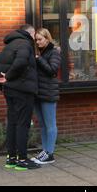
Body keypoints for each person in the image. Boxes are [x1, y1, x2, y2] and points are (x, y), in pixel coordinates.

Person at [0, 24, 40, 170]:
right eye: (34, 34)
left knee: (13, 123)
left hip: (10, 90)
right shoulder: (25, 44)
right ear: (29, 33)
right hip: (22, 90)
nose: (35, 37)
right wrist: (8, 77)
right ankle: (22, 159)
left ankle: (11, 158)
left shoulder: (11, 44)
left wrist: (7, 78)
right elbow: (20, 62)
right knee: (23, 124)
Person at [31, 28, 61, 165]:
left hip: (48, 93)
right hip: (39, 93)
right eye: (36, 40)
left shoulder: (54, 52)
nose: (37, 42)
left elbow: (52, 70)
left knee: (50, 125)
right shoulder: (41, 52)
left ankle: (50, 153)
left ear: (47, 39)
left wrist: (39, 59)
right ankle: (44, 151)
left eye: (40, 39)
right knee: (42, 125)